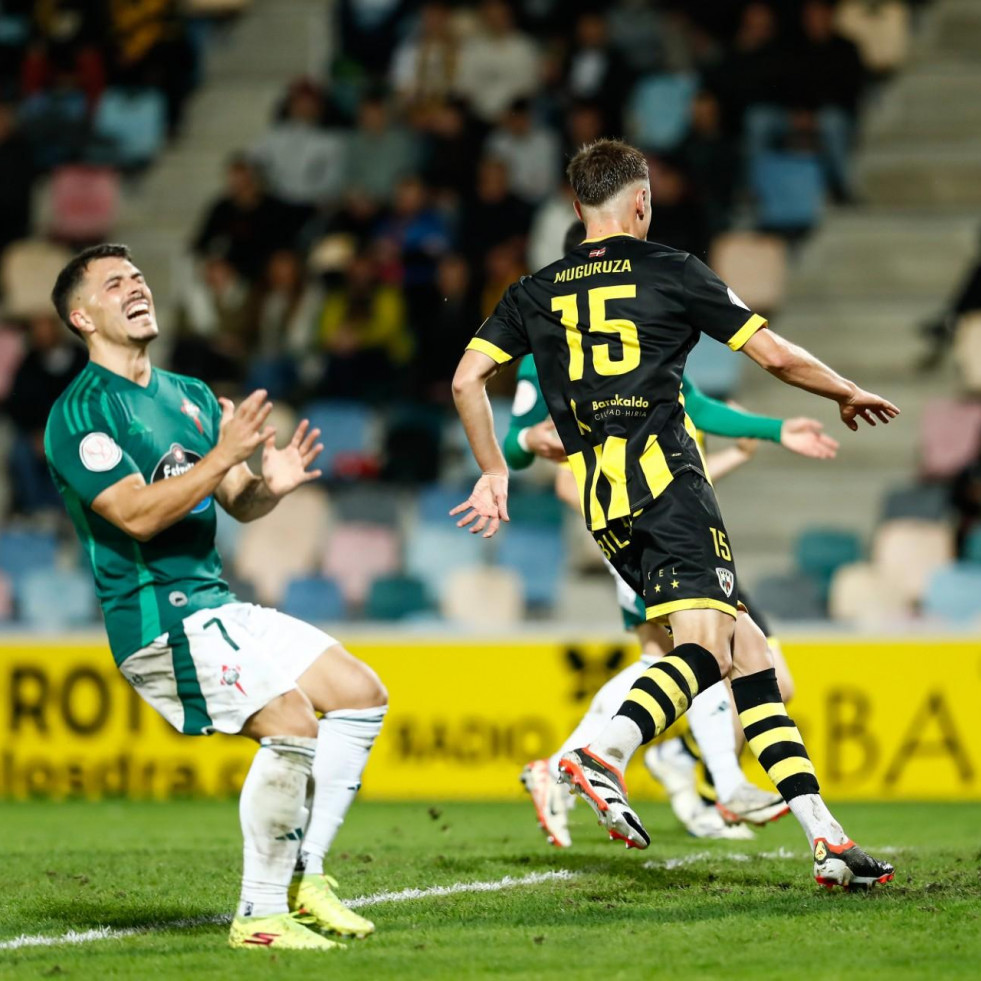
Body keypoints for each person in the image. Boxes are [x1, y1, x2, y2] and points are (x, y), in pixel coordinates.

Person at [450, 138, 898, 889]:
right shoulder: (671, 268)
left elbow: (467, 379)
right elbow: (776, 357)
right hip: (666, 485)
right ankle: (604, 752)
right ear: (640, 203)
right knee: (700, 654)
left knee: (746, 655)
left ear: (575, 208)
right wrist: (843, 390)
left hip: (605, 504)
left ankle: (826, 838)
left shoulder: (535, 289)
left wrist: (494, 468)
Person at [44, 244, 388, 949]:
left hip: (215, 604)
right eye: (115, 284)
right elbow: (137, 514)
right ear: (82, 316)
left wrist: (270, 482)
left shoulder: (192, 395)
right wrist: (222, 456)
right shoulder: (79, 414)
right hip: (155, 622)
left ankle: (304, 875)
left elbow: (238, 500)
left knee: (358, 692)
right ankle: (261, 916)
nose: (136, 287)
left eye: (139, 276)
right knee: (293, 720)